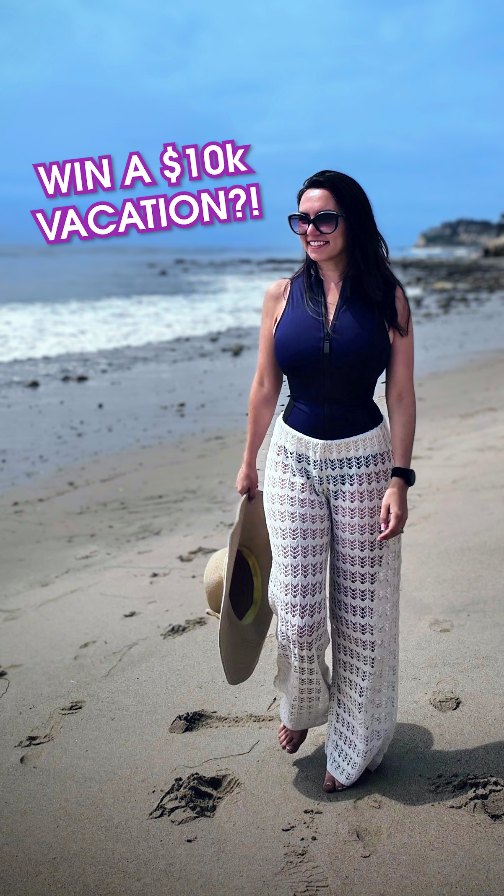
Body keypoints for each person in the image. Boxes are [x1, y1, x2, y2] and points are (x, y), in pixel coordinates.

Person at [235, 170, 415, 792]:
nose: (311, 230)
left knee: (362, 614)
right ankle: (304, 702)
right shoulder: (280, 296)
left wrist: (399, 479)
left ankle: (353, 739)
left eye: (324, 219)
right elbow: (265, 386)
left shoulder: (389, 298)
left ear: (351, 222)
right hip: (292, 457)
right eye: (302, 220)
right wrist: (249, 460)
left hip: (366, 460)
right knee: (296, 607)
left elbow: (400, 394)